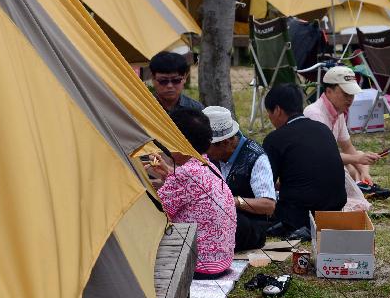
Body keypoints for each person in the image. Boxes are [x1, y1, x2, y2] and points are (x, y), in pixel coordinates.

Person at [147, 109, 236, 279]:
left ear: (178, 142)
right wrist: (170, 176)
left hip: (198, 265)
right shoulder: (208, 166)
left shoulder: (185, 174)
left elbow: (157, 213)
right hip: (220, 262)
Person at [263, 84, 346, 235]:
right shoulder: (323, 129)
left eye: (269, 113)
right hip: (334, 211)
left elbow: (266, 186)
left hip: (299, 215)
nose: (270, 119)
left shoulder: (275, 139)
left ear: (277, 110)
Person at [303, 66, 390, 200]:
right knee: (350, 164)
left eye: (352, 94)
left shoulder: (337, 112)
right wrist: (358, 160)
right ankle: (359, 188)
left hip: (327, 162)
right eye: (346, 94)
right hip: (313, 169)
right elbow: (323, 157)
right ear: (328, 91)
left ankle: (361, 183)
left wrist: (363, 172)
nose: (350, 99)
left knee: (358, 158)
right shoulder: (315, 113)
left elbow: (348, 147)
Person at [203, 106, 276, 251]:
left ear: (225, 143)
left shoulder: (255, 157)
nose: (204, 151)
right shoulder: (211, 155)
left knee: (234, 221)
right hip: (218, 219)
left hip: (248, 226)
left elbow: (268, 206)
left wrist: (232, 201)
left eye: (207, 146)